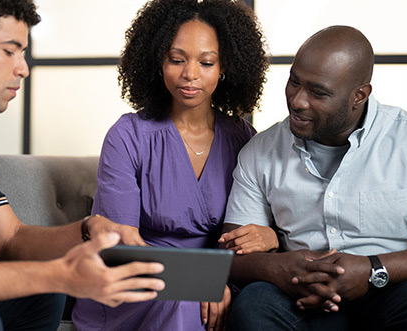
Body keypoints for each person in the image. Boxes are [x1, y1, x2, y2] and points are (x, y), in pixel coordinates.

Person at [0, 1, 167, 330]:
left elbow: (11, 239)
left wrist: (89, 229)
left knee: (43, 293)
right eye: (10, 51)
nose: (23, 68)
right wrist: (62, 275)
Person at [220, 25, 407, 330]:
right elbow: (231, 253)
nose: (298, 101)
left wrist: (372, 270)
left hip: (393, 287)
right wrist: (279, 267)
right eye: (293, 82)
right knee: (255, 302)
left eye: (318, 92)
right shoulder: (261, 150)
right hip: (303, 297)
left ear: (359, 95)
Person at [71, 0, 270, 330]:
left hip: (222, 280)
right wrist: (198, 281)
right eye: (176, 60)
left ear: (225, 67)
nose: (190, 74)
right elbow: (120, 246)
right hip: (137, 283)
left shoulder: (243, 138)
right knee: (183, 301)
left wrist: (268, 236)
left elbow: (256, 228)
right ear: (157, 61)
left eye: (206, 63)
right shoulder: (128, 136)